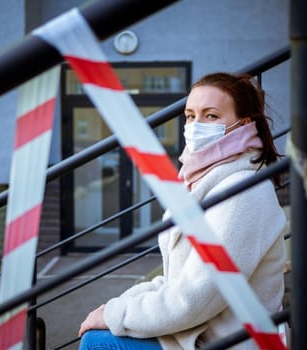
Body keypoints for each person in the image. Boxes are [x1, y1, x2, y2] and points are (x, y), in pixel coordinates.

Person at [78, 72, 287, 350]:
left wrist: (118, 315)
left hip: (230, 342)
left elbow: (194, 300)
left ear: (243, 124)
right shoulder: (202, 180)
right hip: (200, 331)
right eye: (190, 116)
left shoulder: (241, 192)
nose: (196, 125)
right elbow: (178, 280)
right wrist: (116, 307)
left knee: (98, 343)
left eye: (211, 116)